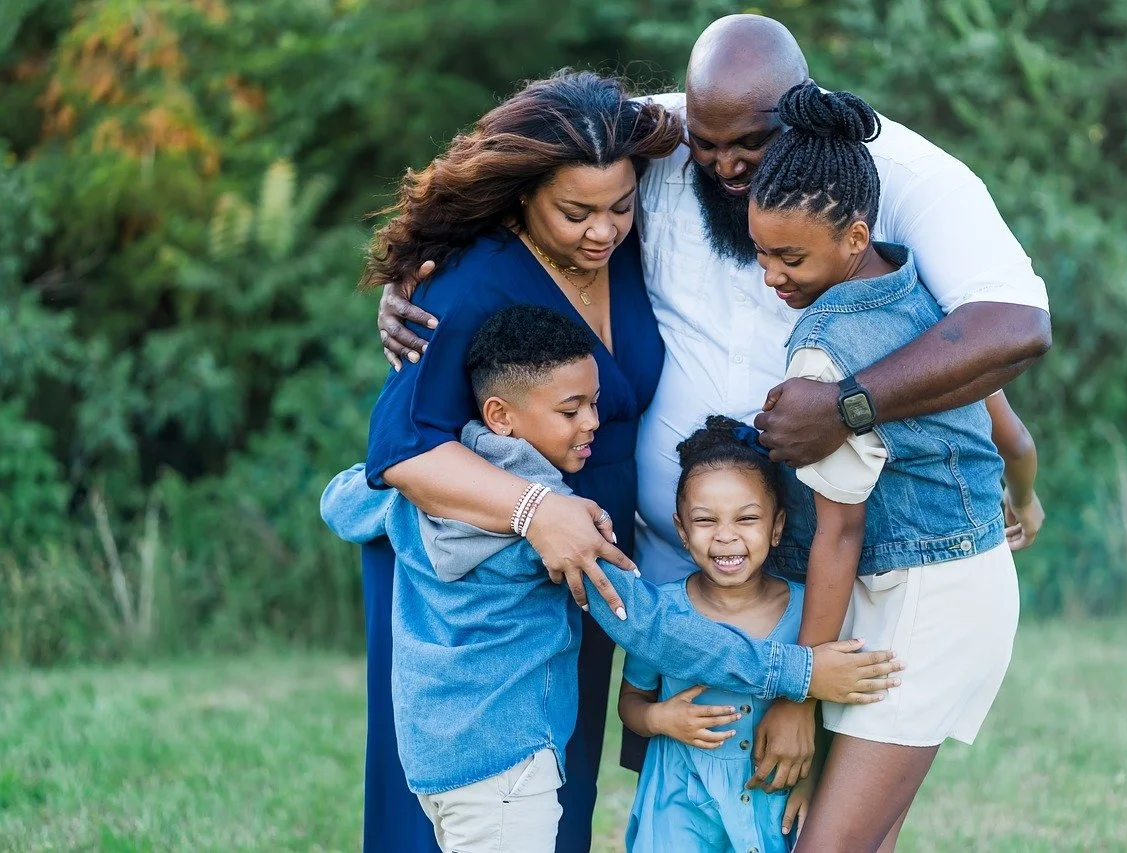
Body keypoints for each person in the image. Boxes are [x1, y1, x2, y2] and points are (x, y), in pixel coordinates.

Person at [375, 12, 1052, 840]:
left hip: (862, 576)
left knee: (818, 829)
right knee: (724, 810)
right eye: (709, 146)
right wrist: (424, 257)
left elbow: (1008, 339)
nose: (727, 166)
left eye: (749, 148)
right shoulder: (664, 143)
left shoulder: (892, 191)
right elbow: (540, 145)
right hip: (681, 576)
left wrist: (852, 411)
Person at [353, 69, 899, 852]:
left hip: (590, 555)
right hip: (480, 580)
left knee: (554, 786)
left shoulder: (626, 247)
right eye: (575, 213)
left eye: (619, 205)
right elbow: (399, 451)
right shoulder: (466, 284)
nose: (603, 231)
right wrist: (536, 511)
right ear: (520, 199)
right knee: (470, 790)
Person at [323, 307, 901, 853]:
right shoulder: (558, 526)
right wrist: (800, 670)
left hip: (434, 757)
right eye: (571, 410)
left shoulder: (423, 488)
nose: (593, 422)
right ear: (501, 415)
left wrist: (404, 484)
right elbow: (649, 628)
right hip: (509, 761)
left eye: (595, 404)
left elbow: (340, 503)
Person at [747, 81, 1026, 851]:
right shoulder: (910, 282)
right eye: (761, 251)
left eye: (790, 256)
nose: (772, 274)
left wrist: (799, 693)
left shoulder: (823, 353)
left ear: (854, 232)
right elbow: (996, 417)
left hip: (923, 609)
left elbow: (839, 534)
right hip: (955, 586)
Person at [620, 416, 842, 853]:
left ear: (777, 526)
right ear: (682, 531)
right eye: (705, 520)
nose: (726, 536)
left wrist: (813, 780)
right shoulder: (662, 613)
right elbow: (631, 703)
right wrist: (659, 719)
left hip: (774, 800)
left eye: (747, 518)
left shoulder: (809, 610)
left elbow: (830, 714)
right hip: (679, 802)